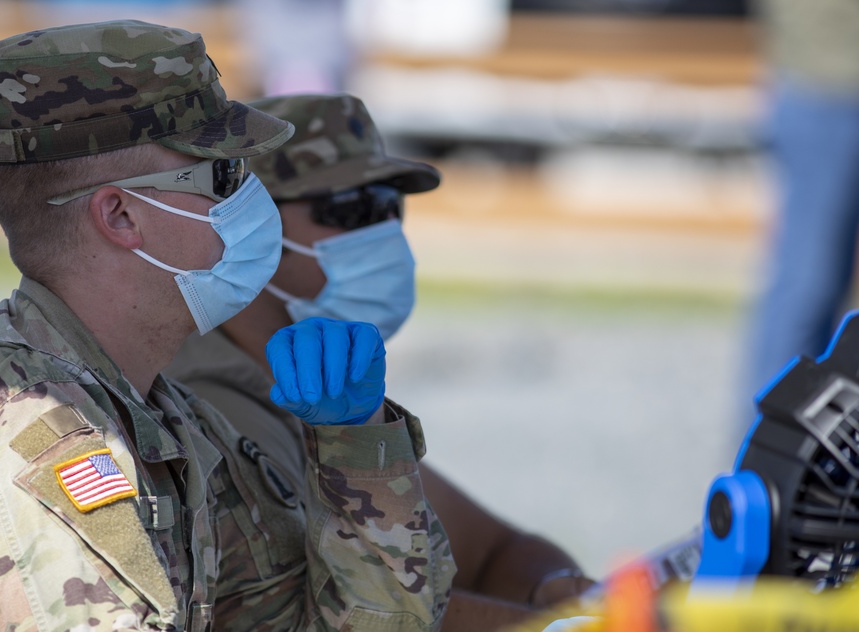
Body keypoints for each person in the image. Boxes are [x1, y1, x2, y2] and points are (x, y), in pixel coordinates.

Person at [0, 21, 455, 630]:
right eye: (223, 175)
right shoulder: (30, 435)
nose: (255, 198)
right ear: (122, 215)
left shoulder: (168, 415)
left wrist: (358, 443)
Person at [164, 93, 595, 631]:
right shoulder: (208, 398)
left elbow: (494, 549)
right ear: (249, 221)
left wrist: (555, 589)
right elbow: (341, 607)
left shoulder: (320, 383)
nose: (384, 231)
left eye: (393, 207)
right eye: (351, 210)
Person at [743, 0, 859, 426]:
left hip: (842, 73)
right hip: (830, 77)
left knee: (825, 291)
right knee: (808, 290)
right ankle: (768, 469)